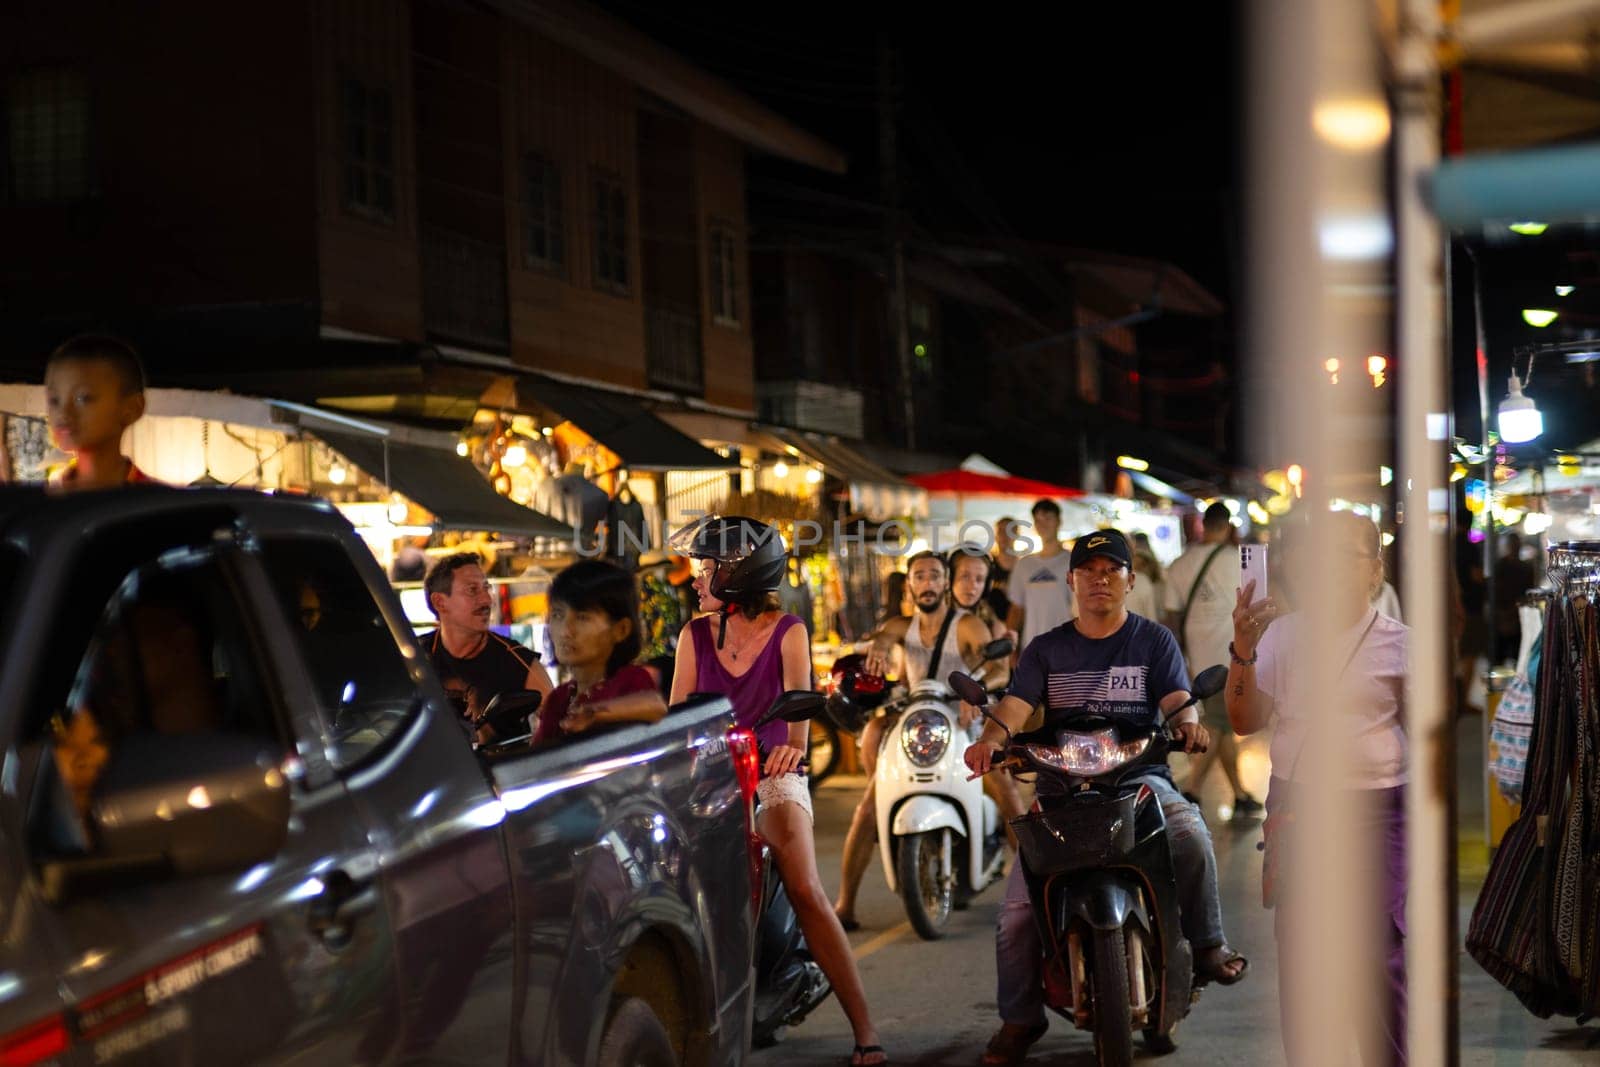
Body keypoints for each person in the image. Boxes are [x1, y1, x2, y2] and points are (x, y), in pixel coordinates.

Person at [964, 528, 1246, 1066]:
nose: (1100, 579)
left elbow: (1180, 700)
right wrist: (991, 741)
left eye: (1111, 570)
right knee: (1018, 914)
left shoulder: (1153, 641)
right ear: (1071, 580)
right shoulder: (1046, 649)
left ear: (1130, 580)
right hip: (1060, 789)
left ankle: (1208, 944)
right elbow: (1016, 706)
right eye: (1089, 571)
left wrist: (1190, 724)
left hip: (1138, 781)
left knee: (1190, 833)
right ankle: (1019, 1020)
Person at [667, 515, 886, 1067]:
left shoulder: (790, 631)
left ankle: (865, 1029)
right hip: (711, 777)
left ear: (738, 575)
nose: (695, 580)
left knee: (807, 884)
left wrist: (792, 750)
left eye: (705, 569)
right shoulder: (693, 635)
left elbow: (798, 714)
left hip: (772, 773)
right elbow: (678, 718)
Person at [1225, 510, 1409, 1067]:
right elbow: (1242, 719)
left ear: (1374, 571)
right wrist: (1242, 646)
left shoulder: (1402, 644)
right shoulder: (1282, 634)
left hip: (1380, 807)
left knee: (1378, 951)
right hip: (1298, 804)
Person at [832, 550, 1012, 930]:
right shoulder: (903, 625)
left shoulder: (966, 626)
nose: (927, 583)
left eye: (934, 576)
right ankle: (845, 904)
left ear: (946, 583)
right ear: (910, 584)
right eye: (919, 576)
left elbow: (999, 668)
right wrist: (880, 646)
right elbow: (885, 636)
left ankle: (1037, 890)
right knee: (867, 808)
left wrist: (975, 689)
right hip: (920, 723)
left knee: (1007, 795)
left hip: (964, 722)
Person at [1162, 502, 1261, 821]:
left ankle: (1240, 794)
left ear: (1204, 524)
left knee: (1221, 725)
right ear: (1228, 525)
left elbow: (1171, 618)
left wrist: (1182, 658)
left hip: (1196, 659)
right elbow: (1260, 613)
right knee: (1219, 725)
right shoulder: (1246, 560)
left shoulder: (1179, 564)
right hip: (1233, 656)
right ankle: (1190, 790)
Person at [531, 560, 665, 746]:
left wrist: (594, 714)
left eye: (582, 617)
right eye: (558, 615)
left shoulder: (630, 680)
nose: (566, 631)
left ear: (621, 630)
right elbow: (537, 758)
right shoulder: (558, 699)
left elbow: (655, 705)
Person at [422, 553, 553, 738]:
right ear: (440, 602)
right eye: (472, 590)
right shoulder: (417, 657)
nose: (487, 600)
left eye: (486, 588)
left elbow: (561, 721)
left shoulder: (517, 661)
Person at [43, 334, 158, 490]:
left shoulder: (156, 505)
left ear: (132, 409)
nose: (63, 413)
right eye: (54, 400)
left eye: (83, 398)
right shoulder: (46, 503)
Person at [1007, 499, 1075, 654]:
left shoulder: (1073, 562)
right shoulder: (1024, 565)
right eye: (1038, 520)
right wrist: (1011, 648)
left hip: (1066, 647)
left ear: (1059, 521)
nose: (1042, 524)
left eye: (1048, 518)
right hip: (1032, 649)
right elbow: (1016, 609)